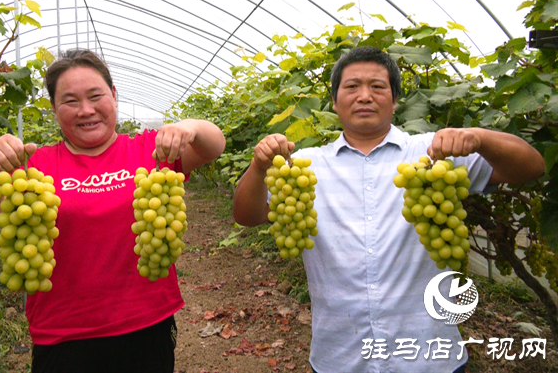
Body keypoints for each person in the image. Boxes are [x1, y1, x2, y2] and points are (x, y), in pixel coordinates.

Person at [232, 46, 545, 373]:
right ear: (335, 102)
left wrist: (479, 138)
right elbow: (247, 215)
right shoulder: (307, 166)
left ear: (395, 100)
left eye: (378, 87)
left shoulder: (435, 153)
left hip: (430, 359)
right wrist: (257, 167)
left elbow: (531, 166)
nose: (364, 96)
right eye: (351, 87)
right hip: (341, 358)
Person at [0, 49, 226, 373]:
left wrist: (191, 126)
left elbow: (214, 146)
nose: (86, 110)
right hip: (62, 335)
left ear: (113, 95)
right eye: (70, 101)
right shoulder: (35, 165)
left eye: (96, 96)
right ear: (55, 109)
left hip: (146, 325)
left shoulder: (151, 150)